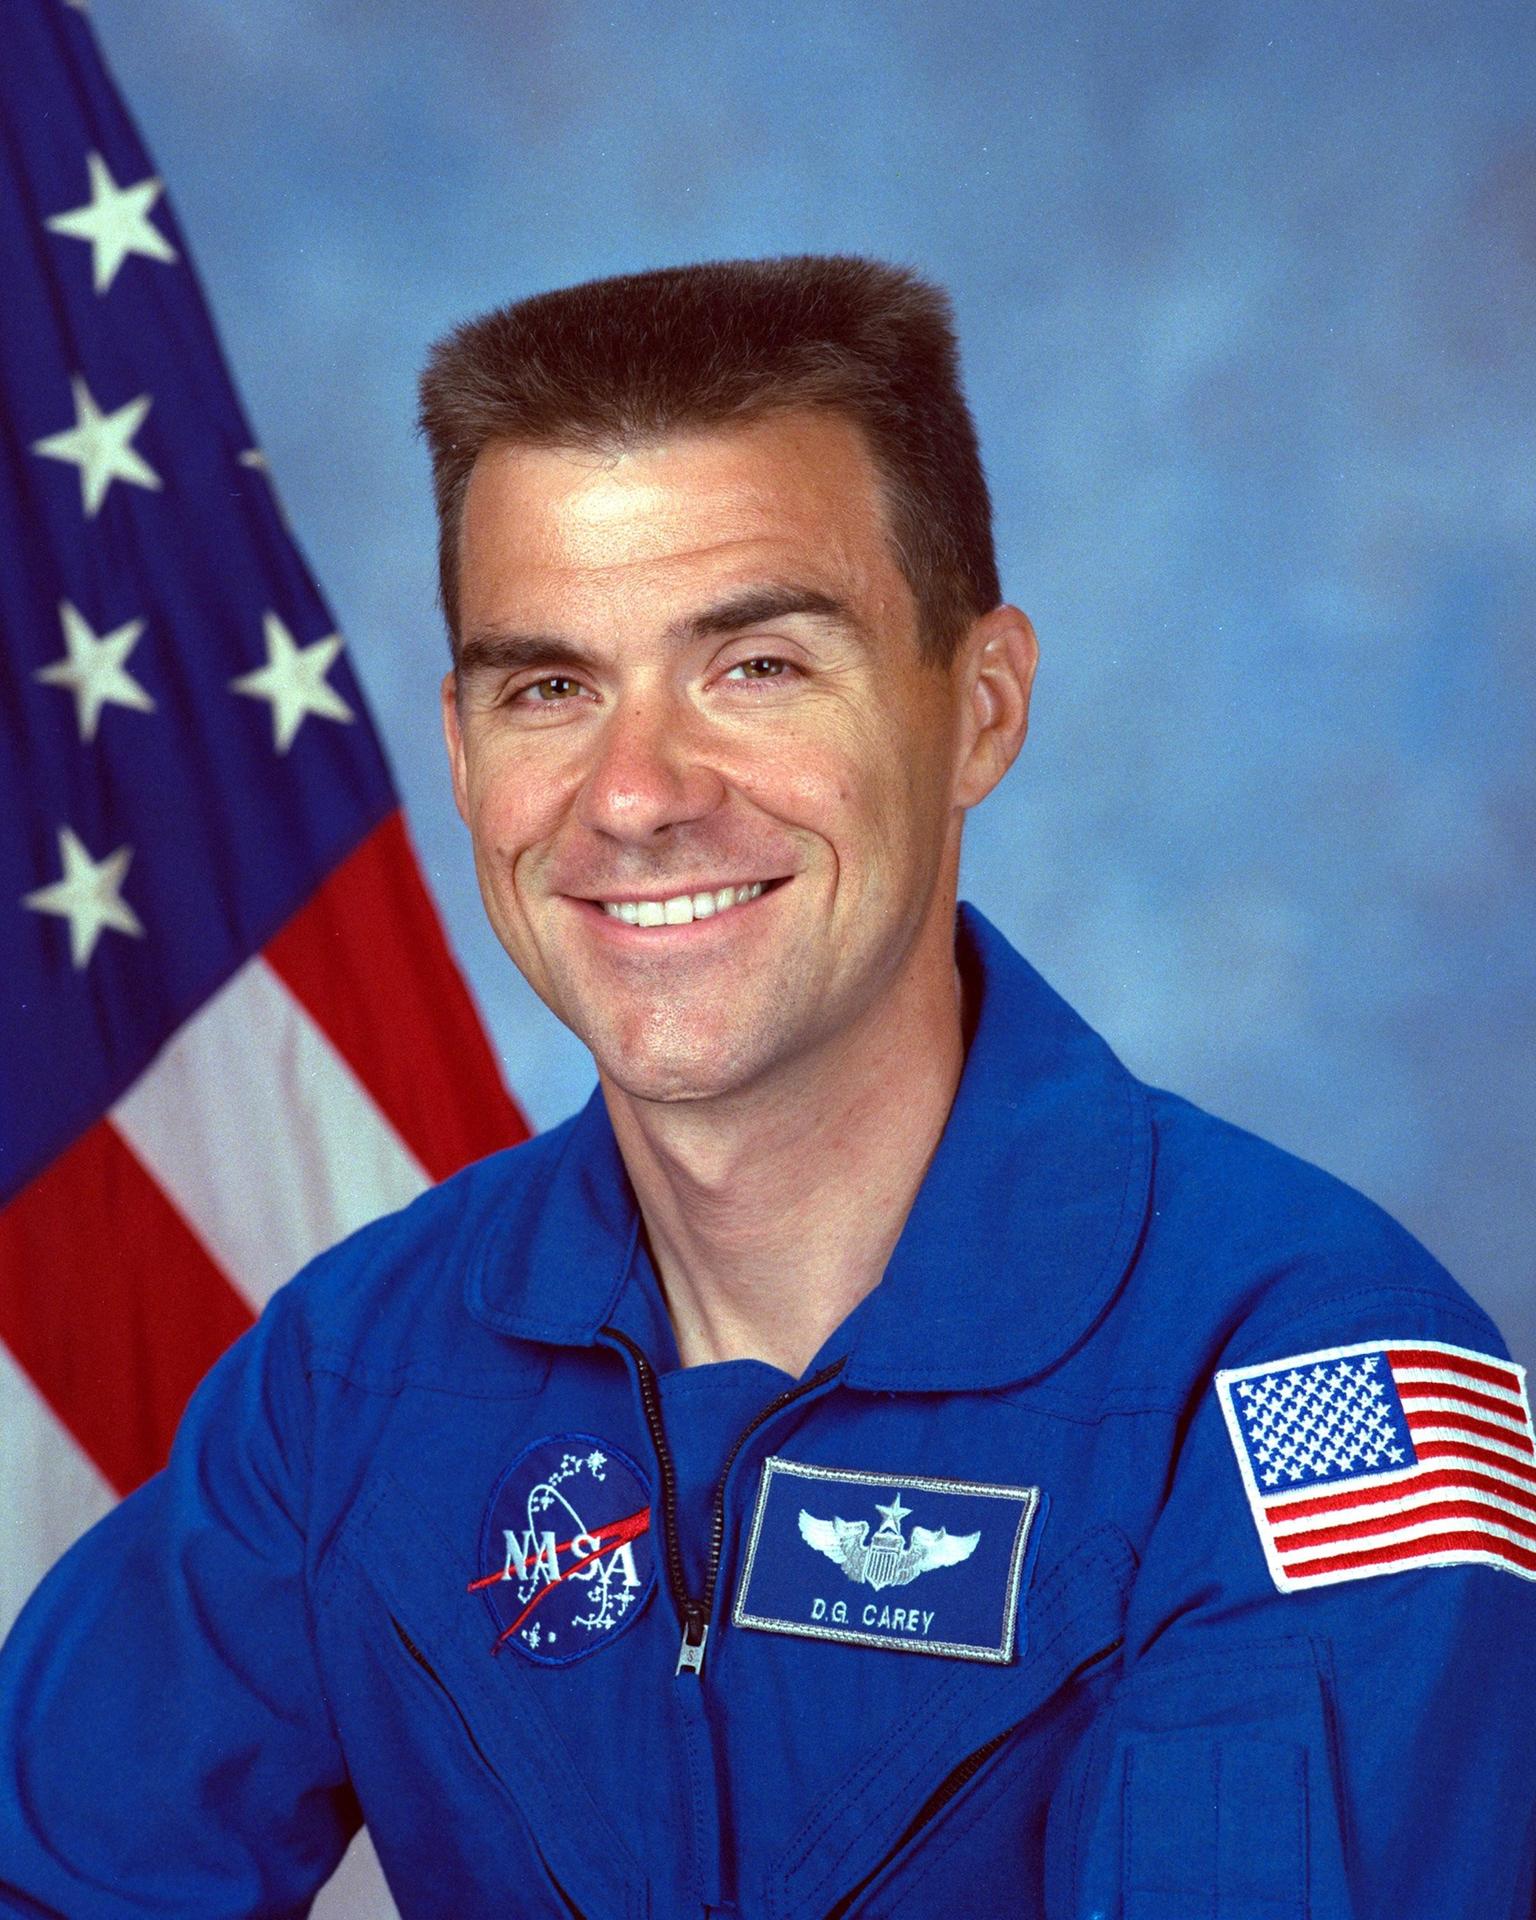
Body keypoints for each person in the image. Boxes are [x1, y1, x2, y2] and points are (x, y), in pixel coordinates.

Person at [2, 254, 1534, 1919]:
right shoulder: (356, 1376)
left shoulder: (1303, 1385)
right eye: (550, 688)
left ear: (983, 708)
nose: (638, 794)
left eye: (760, 667)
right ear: (458, 750)